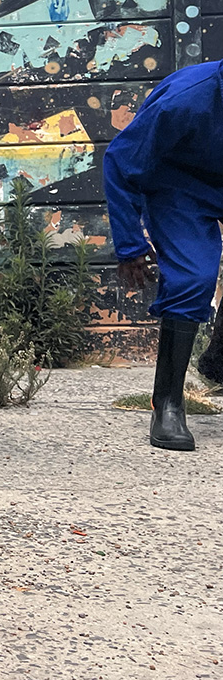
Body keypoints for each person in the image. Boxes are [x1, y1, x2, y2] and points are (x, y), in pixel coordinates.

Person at [103, 59, 223, 451]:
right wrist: (130, 244)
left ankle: (219, 356)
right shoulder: (187, 101)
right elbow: (119, 163)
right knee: (192, 278)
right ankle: (168, 402)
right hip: (180, 187)